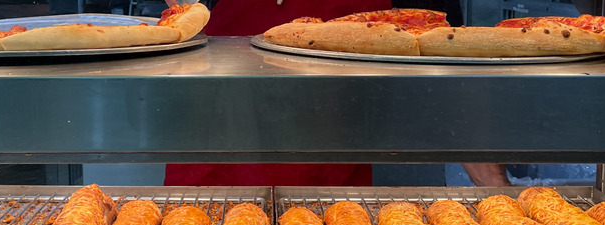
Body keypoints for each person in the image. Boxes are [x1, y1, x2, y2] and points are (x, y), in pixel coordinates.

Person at [164, 0, 465, 187]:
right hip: (218, 144)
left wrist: (491, 180)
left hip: (326, 156)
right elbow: (183, 13)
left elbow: (456, 69)